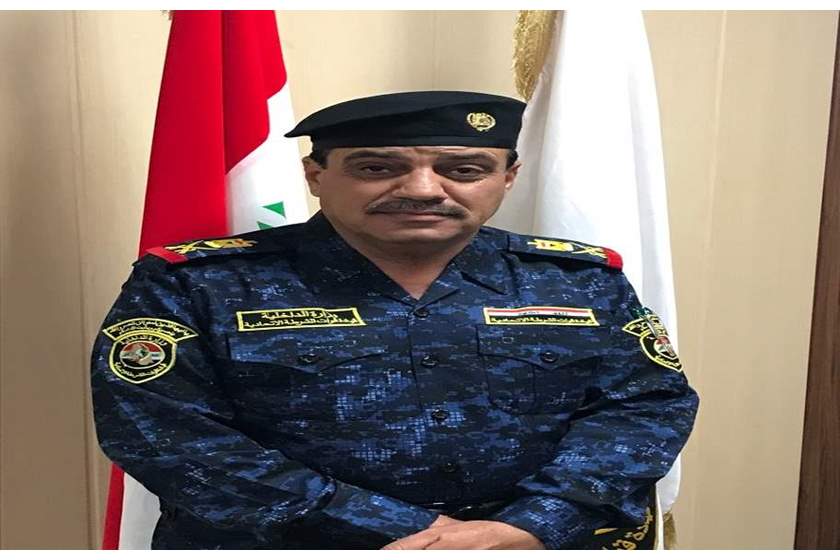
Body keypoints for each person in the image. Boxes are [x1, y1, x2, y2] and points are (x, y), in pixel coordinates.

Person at [91, 90, 699, 550]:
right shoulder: (197, 283)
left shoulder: (581, 281)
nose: (424, 189)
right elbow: (164, 435)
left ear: (507, 178)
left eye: (464, 169)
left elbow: (645, 408)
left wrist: (530, 524)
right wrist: (408, 532)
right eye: (376, 168)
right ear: (315, 175)